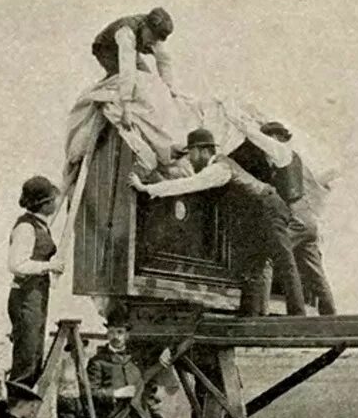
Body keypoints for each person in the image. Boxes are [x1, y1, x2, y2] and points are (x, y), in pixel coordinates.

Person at [129, 128, 308, 316]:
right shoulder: (218, 165)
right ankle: (249, 316)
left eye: (192, 153)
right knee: (252, 266)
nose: (190, 159)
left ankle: (298, 314)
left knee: (283, 260)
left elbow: (187, 184)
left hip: (269, 210)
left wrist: (146, 188)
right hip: (259, 216)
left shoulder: (219, 169)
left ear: (203, 151)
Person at [257, 121, 337, 315]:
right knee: (314, 271)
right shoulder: (296, 159)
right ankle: (331, 316)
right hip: (308, 220)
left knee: (268, 256)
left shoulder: (281, 154)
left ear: (275, 138)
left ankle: (263, 312)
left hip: (296, 218)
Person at [7, 176, 65, 387]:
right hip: (26, 296)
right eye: (53, 199)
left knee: (34, 354)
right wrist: (48, 266)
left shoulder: (40, 224)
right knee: (27, 356)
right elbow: (17, 265)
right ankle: (15, 410)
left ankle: (22, 410)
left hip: (36, 294)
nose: (56, 202)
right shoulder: (26, 228)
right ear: (44, 203)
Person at [91, 8, 176, 129]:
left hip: (130, 50)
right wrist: (126, 108)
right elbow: (127, 69)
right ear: (145, 26)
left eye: (156, 39)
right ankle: (101, 99)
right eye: (151, 37)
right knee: (124, 80)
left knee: (148, 81)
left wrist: (168, 87)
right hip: (106, 48)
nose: (152, 42)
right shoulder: (126, 33)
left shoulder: (154, 36)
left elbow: (164, 60)